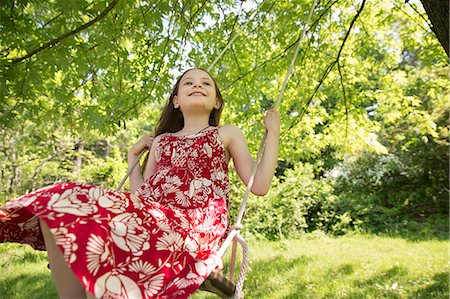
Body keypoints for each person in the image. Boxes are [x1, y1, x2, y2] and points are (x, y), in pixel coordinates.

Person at [0, 68, 280, 298]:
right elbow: (143, 196)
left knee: (111, 237)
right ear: (176, 101)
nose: (198, 85)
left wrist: (273, 132)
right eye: (189, 83)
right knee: (62, 200)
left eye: (206, 83)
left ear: (217, 101)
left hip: (194, 229)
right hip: (156, 219)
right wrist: (132, 155)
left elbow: (259, 185)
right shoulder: (161, 142)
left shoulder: (226, 133)